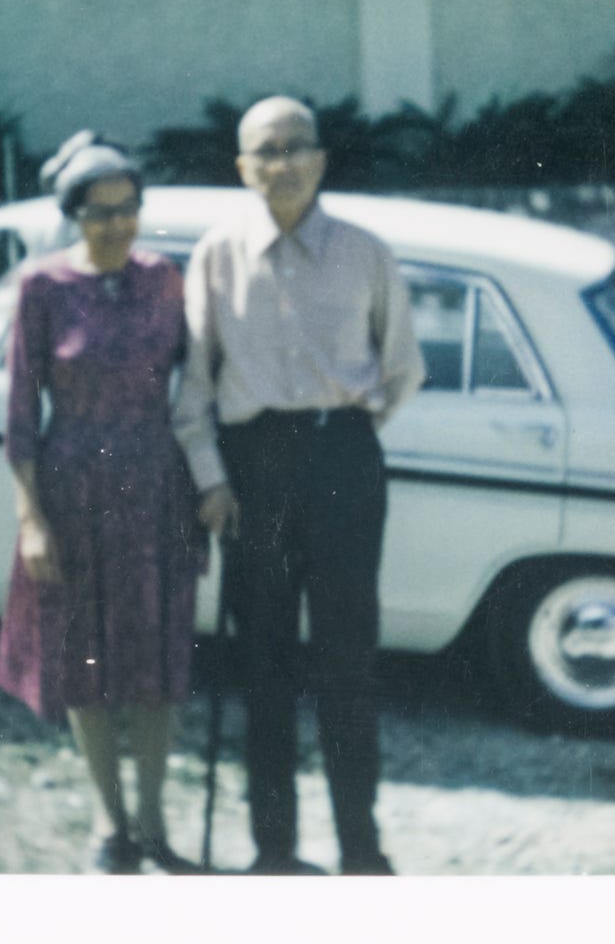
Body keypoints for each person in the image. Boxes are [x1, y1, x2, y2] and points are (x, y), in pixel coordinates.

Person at [174, 96, 426, 875]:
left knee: (348, 666)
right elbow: (193, 392)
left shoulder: (365, 252)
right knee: (265, 667)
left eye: (295, 148)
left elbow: (403, 369)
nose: (281, 164)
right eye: (265, 151)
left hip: (342, 462)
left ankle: (362, 849)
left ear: (321, 159)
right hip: (253, 473)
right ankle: (273, 853)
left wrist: (342, 439)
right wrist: (213, 479)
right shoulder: (216, 256)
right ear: (243, 168)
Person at [0, 131, 205, 874]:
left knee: (155, 662)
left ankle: (153, 824)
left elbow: (203, 388)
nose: (116, 224)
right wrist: (31, 520)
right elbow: (20, 414)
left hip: (154, 488)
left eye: (128, 208)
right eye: (99, 212)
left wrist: (210, 480)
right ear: (73, 215)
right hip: (72, 490)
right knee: (85, 666)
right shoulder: (42, 288)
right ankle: (110, 823)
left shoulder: (167, 280)